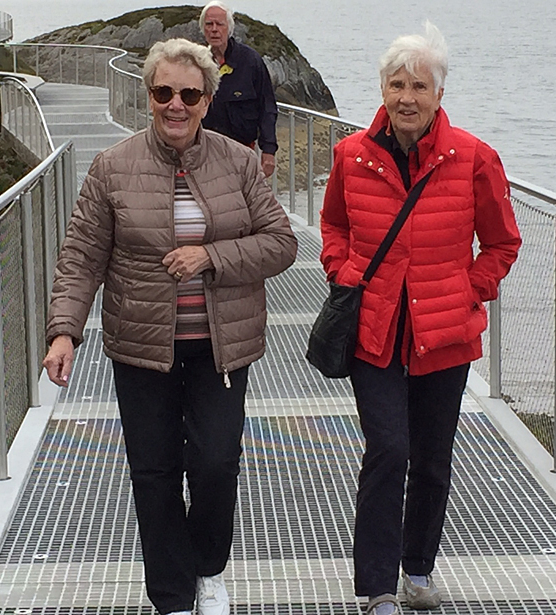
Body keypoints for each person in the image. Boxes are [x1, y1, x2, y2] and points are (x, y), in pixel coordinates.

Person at [43, 38, 297, 615]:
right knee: (154, 471)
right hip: (140, 344)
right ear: (148, 96)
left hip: (221, 346)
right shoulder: (112, 167)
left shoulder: (238, 162)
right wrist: (64, 331)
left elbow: (281, 243)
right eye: (163, 92)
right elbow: (81, 257)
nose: (175, 105)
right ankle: (173, 597)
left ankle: (208, 570)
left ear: (207, 100)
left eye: (189, 94)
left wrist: (211, 256)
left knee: (215, 463)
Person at [318, 22, 521, 615]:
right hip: (374, 329)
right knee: (388, 450)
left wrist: (468, 290)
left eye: (419, 86)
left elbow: (502, 243)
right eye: (397, 84)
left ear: (439, 94)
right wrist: (342, 271)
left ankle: (418, 568)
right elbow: (333, 225)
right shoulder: (351, 155)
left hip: (444, 333)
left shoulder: (475, 158)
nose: (407, 97)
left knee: (431, 461)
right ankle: (377, 587)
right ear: (382, 89)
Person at [199, 1, 278, 178]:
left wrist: (269, 150)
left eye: (219, 24)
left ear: (229, 28)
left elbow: (267, 106)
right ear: (203, 29)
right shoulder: (196, 62)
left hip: (242, 153)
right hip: (203, 154)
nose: (214, 29)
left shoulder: (250, 61)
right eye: (209, 24)